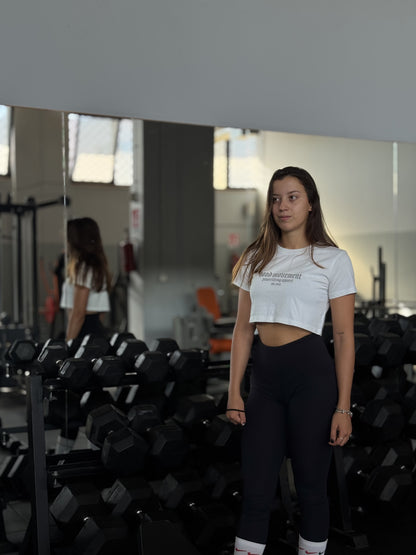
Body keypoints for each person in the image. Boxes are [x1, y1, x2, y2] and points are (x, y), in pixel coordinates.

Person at [226, 167, 356, 555]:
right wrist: (234, 391)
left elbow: (345, 337)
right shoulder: (255, 256)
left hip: (311, 382)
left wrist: (344, 407)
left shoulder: (332, 259)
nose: (283, 206)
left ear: (310, 203)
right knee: (256, 490)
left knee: (312, 488)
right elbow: (242, 330)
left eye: (293, 197)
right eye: (276, 198)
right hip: (265, 384)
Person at [56, 217, 111, 453]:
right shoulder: (95, 265)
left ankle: (72, 457)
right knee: (88, 401)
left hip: (83, 332)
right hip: (94, 333)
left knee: (77, 401)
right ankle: (90, 456)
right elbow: (100, 314)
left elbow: (78, 313)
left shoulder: (80, 267)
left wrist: (68, 345)